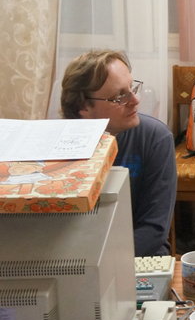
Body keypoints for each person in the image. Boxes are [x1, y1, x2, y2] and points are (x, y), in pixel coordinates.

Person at [61, 50, 176, 256]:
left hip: (140, 253)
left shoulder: (155, 138)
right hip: (77, 257)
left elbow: (153, 229)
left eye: (132, 88)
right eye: (119, 96)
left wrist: (106, 263)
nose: (135, 100)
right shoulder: (59, 145)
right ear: (83, 106)